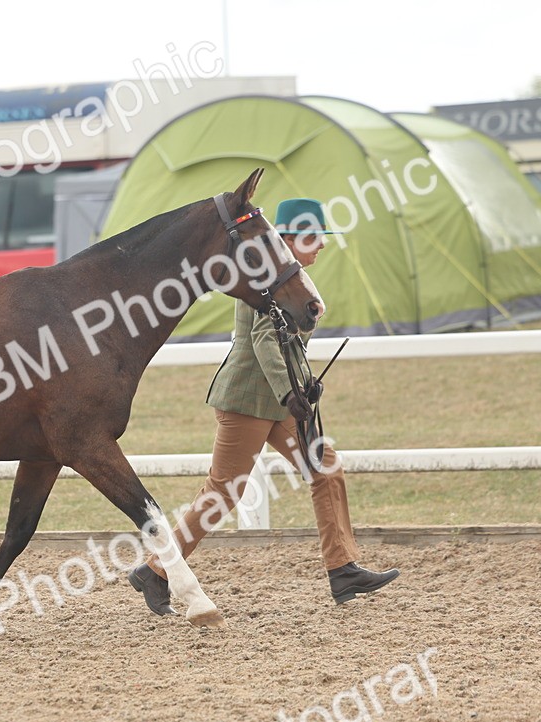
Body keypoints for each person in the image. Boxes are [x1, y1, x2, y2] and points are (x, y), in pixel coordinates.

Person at [128, 197, 400, 616]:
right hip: (249, 402)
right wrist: (290, 393)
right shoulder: (265, 280)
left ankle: (343, 568)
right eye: (314, 237)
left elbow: (287, 345)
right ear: (286, 240)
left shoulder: (292, 282)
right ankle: (157, 570)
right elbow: (264, 340)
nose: (322, 246)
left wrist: (305, 386)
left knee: (326, 468)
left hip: (277, 403)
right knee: (223, 493)